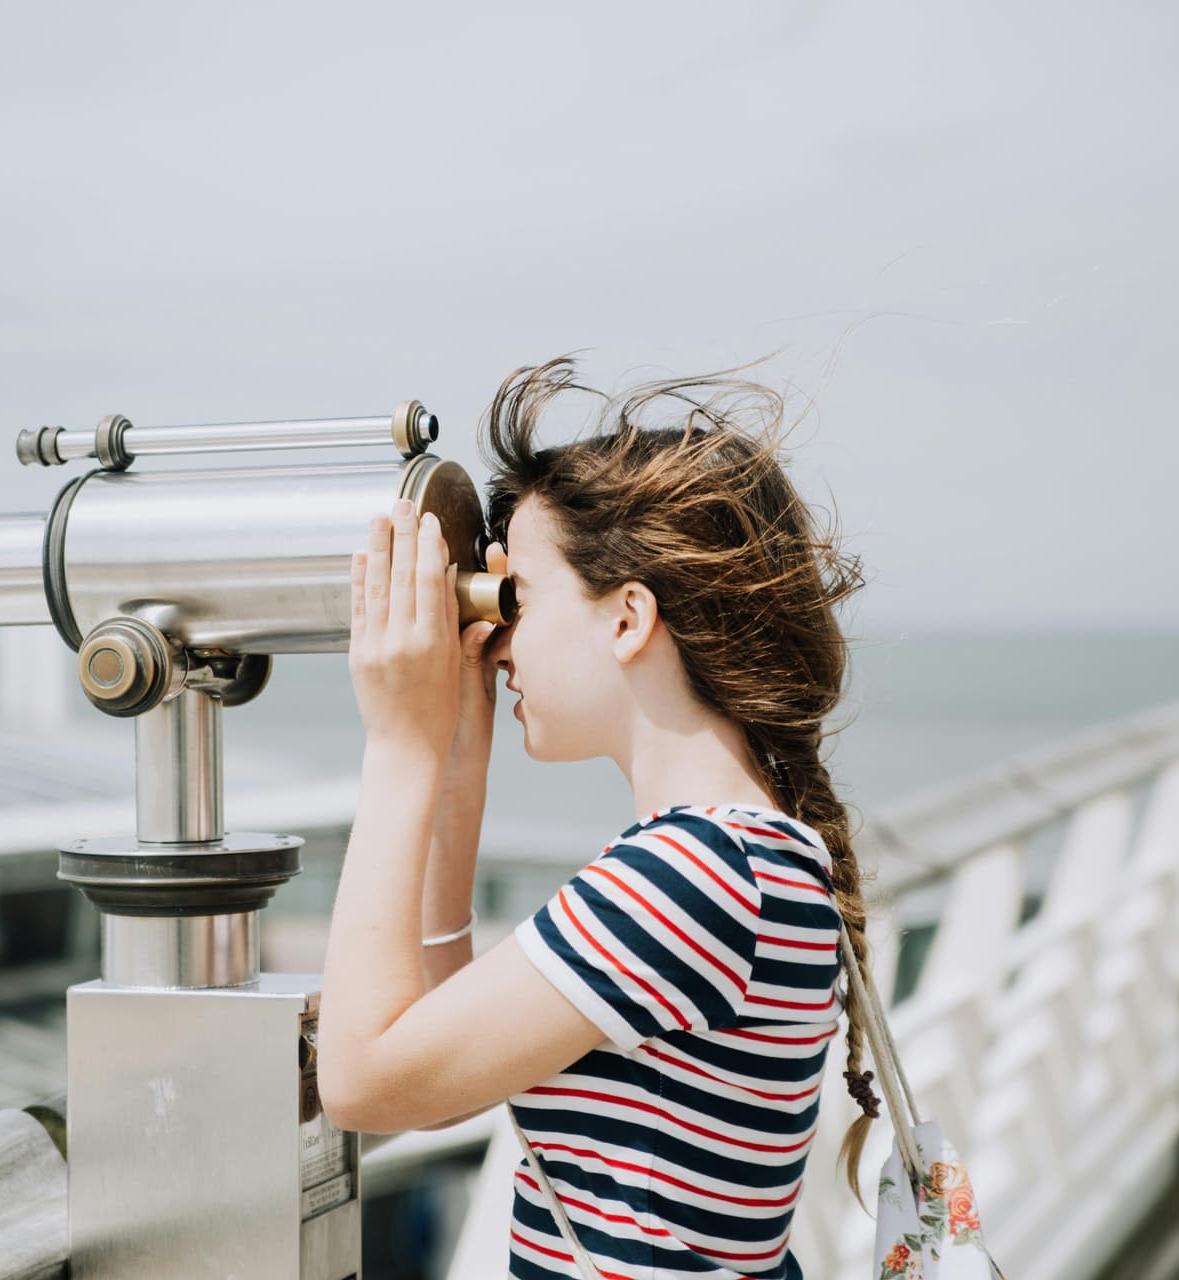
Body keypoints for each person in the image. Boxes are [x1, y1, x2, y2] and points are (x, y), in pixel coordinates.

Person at [318, 357, 880, 1279]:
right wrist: (459, 760)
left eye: (520, 599)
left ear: (627, 619)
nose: (497, 641)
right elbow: (434, 1083)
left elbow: (361, 1082)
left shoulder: (691, 876)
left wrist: (398, 744)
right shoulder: (755, 854)